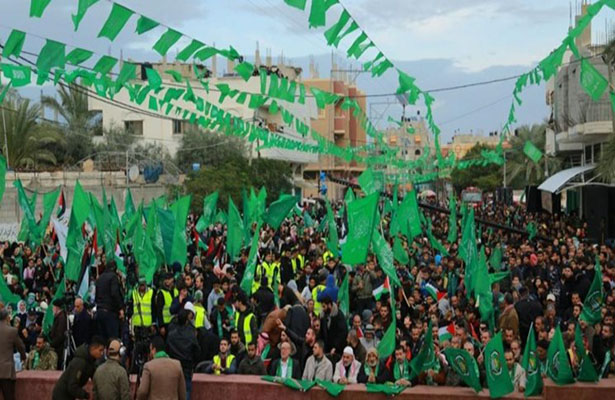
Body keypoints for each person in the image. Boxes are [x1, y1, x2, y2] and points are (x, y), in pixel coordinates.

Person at [52, 336, 106, 400]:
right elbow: (72, 386)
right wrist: (85, 395)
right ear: (93, 348)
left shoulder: (90, 361)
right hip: (61, 396)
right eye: (100, 350)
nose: (102, 353)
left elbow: (94, 376)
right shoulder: (80, 363)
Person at [137, 336, 186, 400]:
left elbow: (143, 391)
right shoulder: (177, 365)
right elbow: (182, 393)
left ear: (153, 350)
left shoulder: (148, 366)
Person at [167, 310, 200, 400]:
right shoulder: (191, 335)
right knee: (187, 388)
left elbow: (168, 349)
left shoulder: (171, 335)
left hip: (174, 364)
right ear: (186, 320)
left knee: (174, 388)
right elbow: (197, 351)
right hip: (187, 364)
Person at [0, 309, 26, 400]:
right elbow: (20, 347)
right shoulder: (12, 331)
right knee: (9, 396)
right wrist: (23, 357)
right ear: (7, 317)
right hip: (6, 371)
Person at [95, 260, 124, 341]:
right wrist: (120, 307)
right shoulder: (113, 277)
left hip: (100, 311)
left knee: (103, 340)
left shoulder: (100, 278)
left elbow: (96, 296)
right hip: (110, 312)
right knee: (113, 340)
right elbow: (114, 293)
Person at [49, 298, 67, 368]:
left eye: (53, 307)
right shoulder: (59, 317)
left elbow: (60, 335)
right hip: (57, 346)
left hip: (59, 348)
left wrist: (51, 344)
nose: (52, 309)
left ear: (56, 308)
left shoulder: (61, 318)